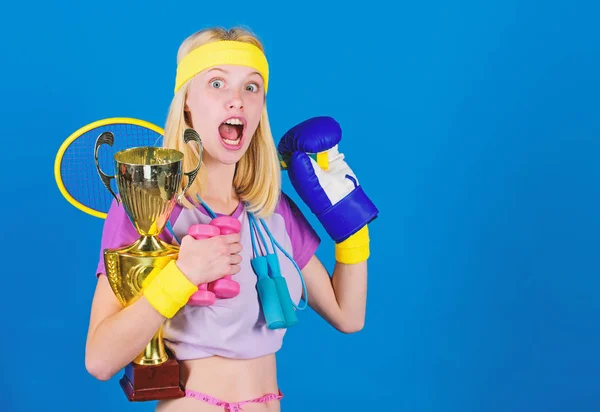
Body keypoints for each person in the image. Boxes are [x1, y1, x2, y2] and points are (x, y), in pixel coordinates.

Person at [85, 26, 378, 411]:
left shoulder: (271, 210)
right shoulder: (150, 205)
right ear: (187, 100)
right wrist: (183, 276)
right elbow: (100, 359)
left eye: (251, 87)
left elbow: (348, 315)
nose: (236, 100)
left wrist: (351, 227)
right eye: (217, 84)